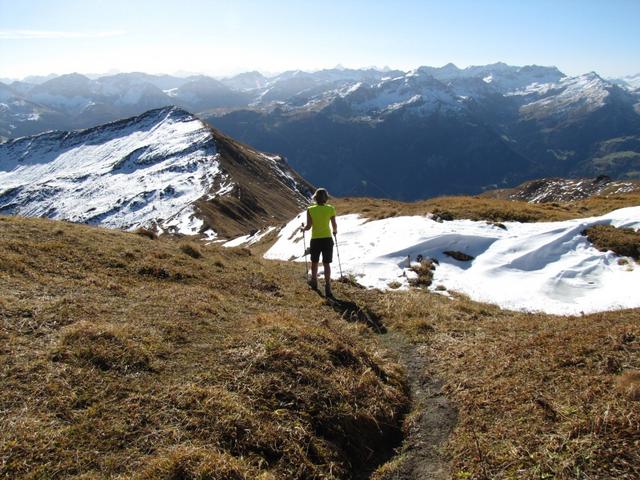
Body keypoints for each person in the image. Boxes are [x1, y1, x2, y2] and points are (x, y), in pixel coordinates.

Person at [302, 188, 337, 297]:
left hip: (315, 239)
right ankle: (328, 286)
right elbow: (334, 225)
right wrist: (335, 232)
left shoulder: (310, 209)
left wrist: (303, 229)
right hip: (327, 239)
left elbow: (308, 226)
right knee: (326, 264)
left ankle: (314, 282)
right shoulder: (331, 209)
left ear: (315, 198)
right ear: (326, 198)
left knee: (314, 262)